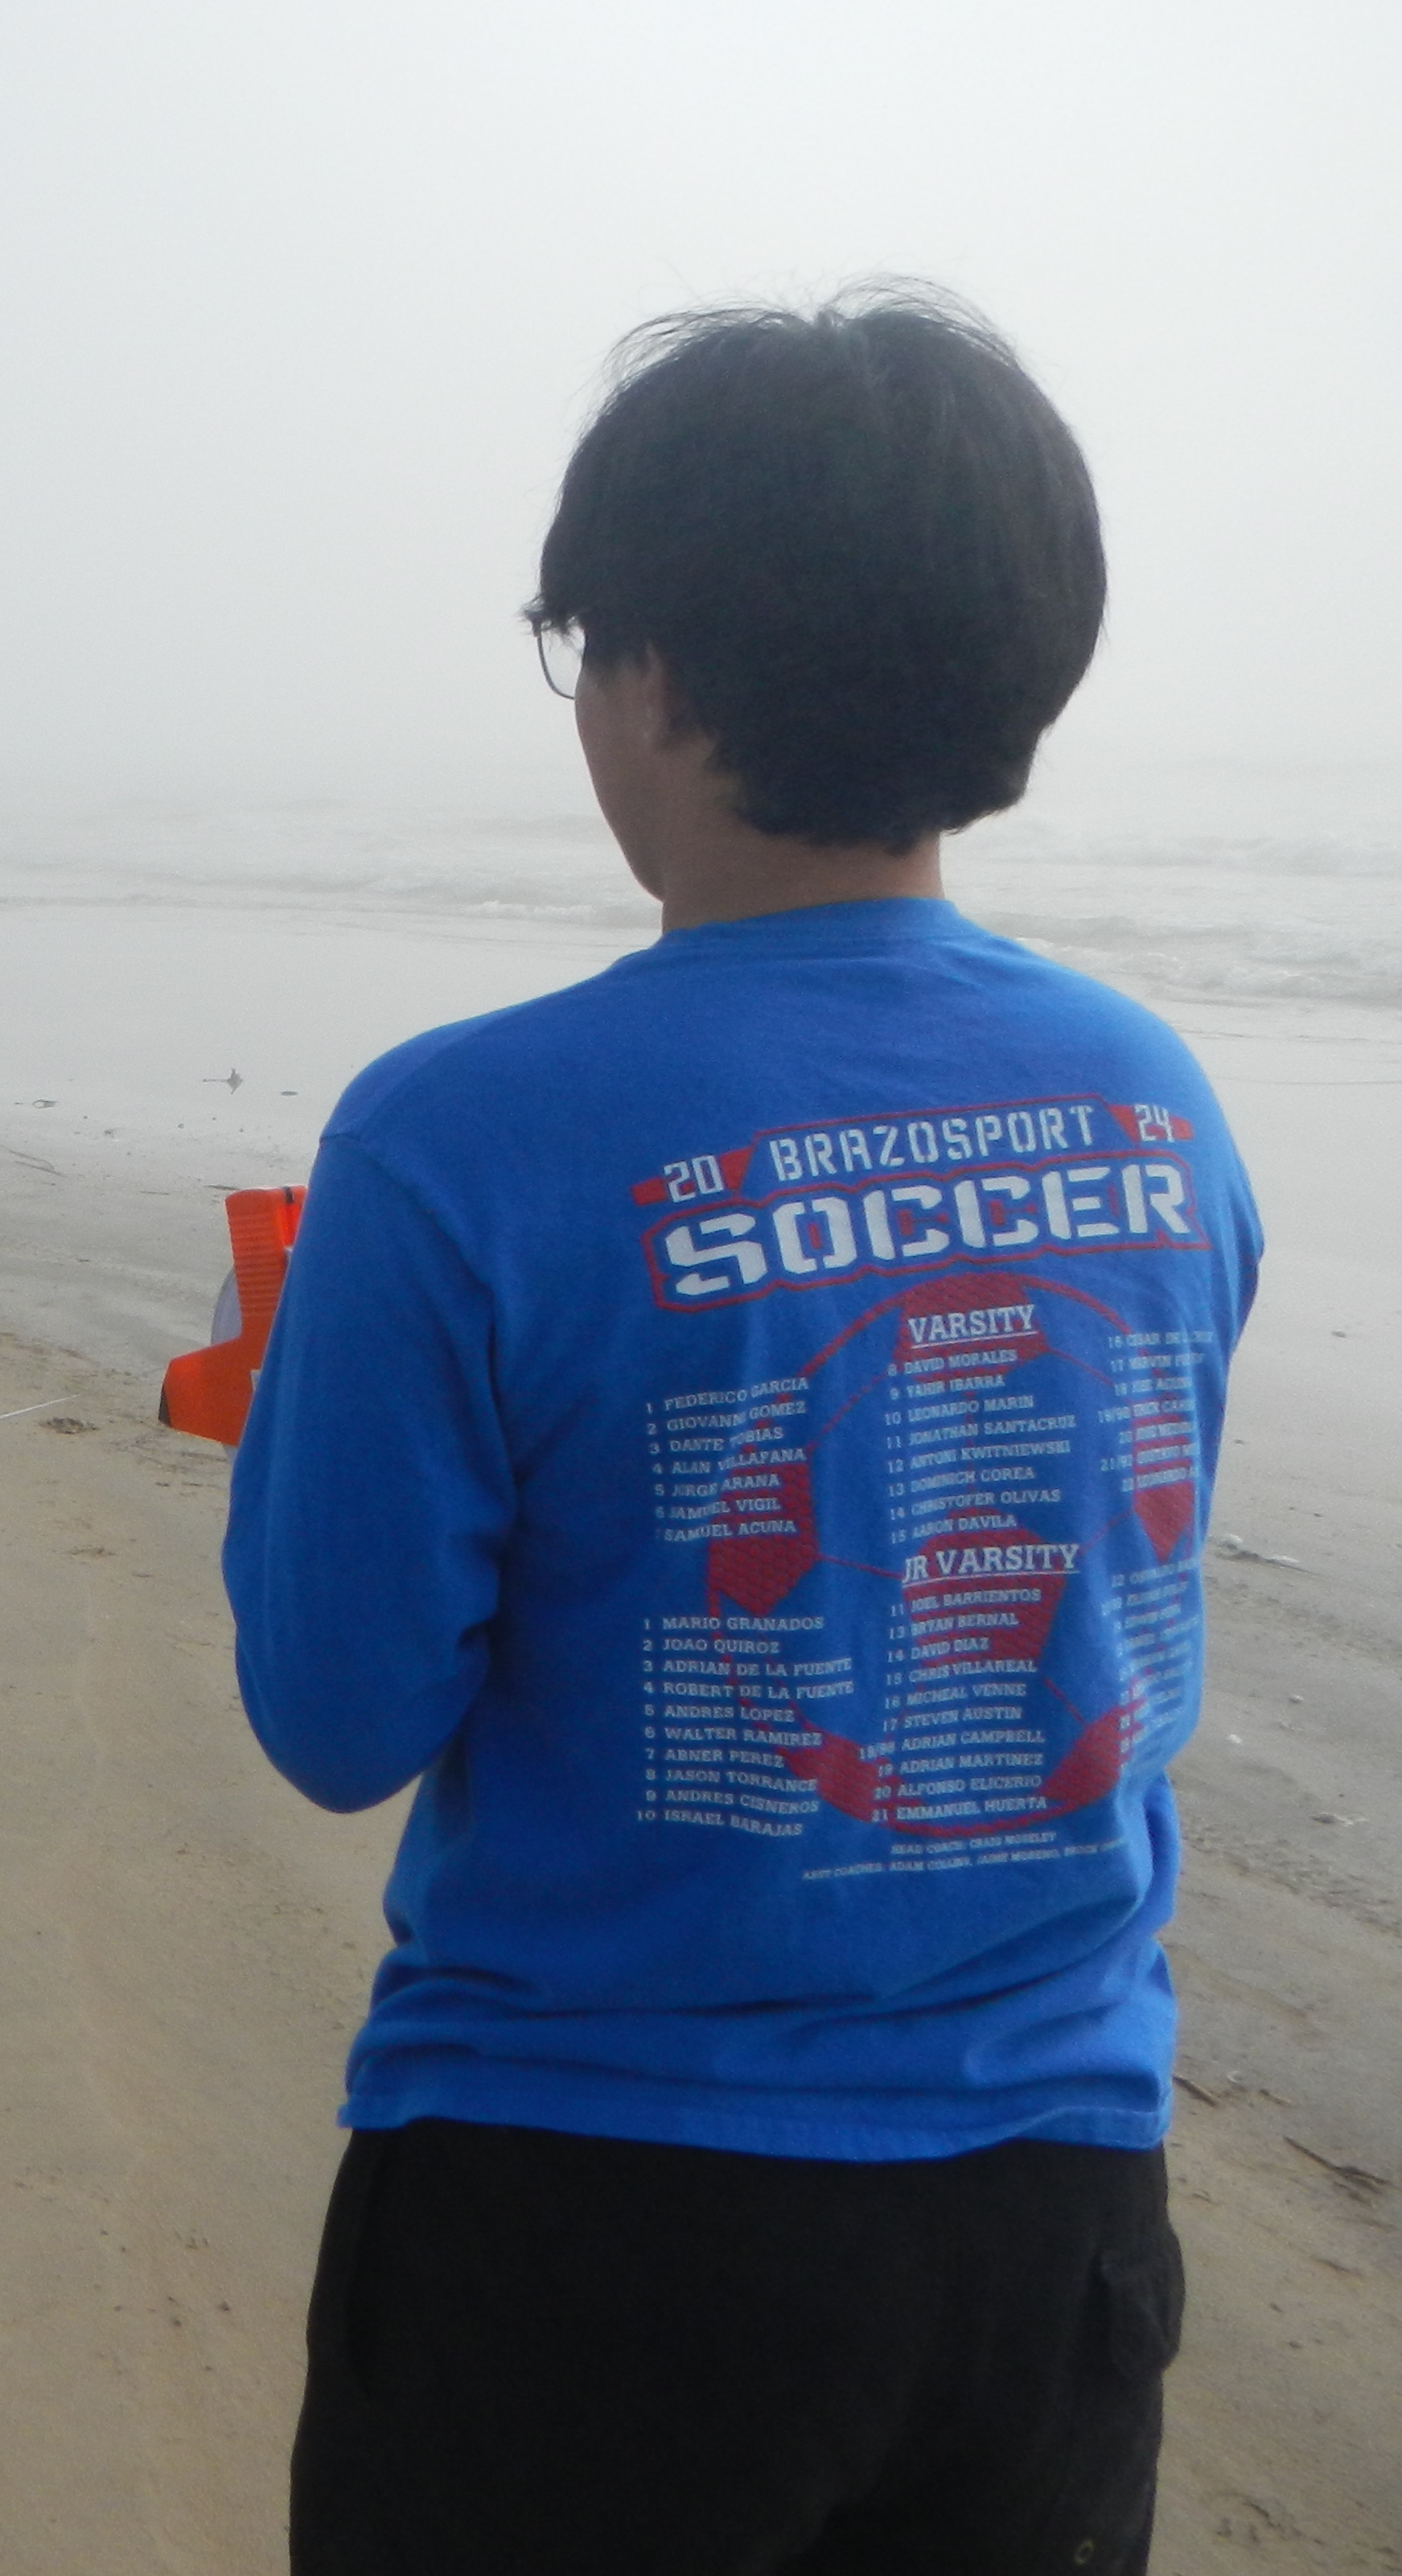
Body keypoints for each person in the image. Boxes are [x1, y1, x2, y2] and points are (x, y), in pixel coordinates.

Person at [226, 290, 1258, 2576]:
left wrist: (306, 1410)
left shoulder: (458, 1137)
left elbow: (335, 1710)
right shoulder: (1159, 1111)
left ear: (660, 678)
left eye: (587, 651)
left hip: (588, 2221)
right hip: (1051, 2222)